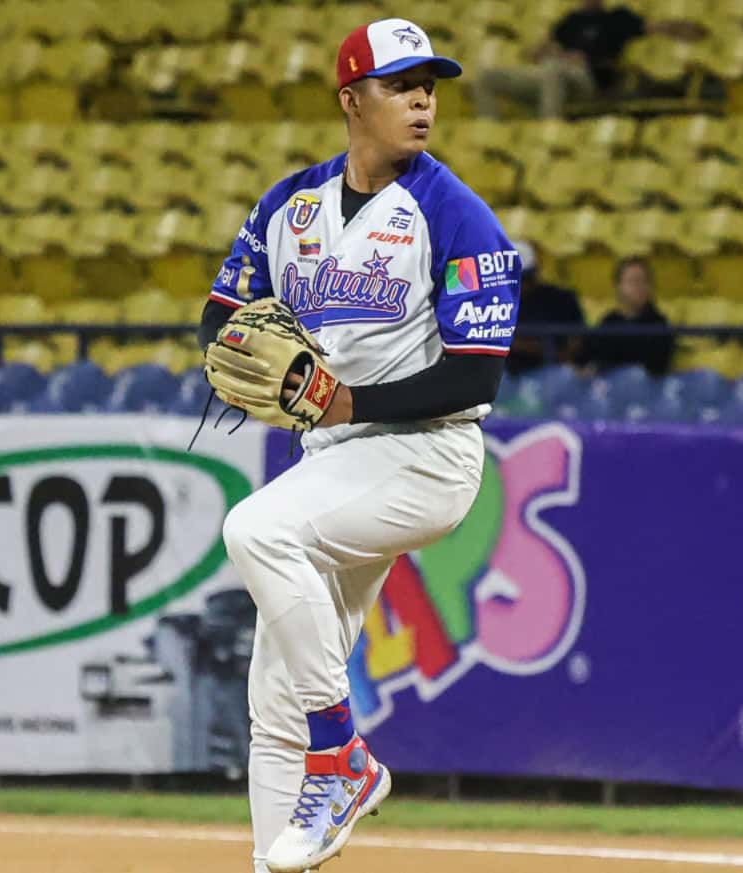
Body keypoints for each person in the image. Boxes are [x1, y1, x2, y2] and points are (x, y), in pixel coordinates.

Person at [197, 19, 519, 873]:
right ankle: (281, 850)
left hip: (426, 454)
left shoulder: (457, 215)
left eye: (429, 86)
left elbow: (477, 374)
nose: (422, 101)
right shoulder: (289, 205)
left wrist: (346, 399)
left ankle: (341, 753)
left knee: (257, 529)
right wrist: (235, 354)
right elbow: (222, 317)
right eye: (400, 84)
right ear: (351, 99)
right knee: (275, 702)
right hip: (335, 463)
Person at [473, 0, 703, 118]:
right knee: (486, 77)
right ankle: (490, 131)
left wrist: (690, 30)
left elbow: (658, 28)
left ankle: (548, 128)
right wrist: (551, 52)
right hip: (553, 73)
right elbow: (537, 52)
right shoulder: (570, 21)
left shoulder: (617, 18)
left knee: (553, 70)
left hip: (587, 79)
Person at [583, 257, 674, 376]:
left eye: (644, 281)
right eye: (632, 281)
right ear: (619, 286)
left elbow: (655, 366)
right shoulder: (608, 321)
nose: (639, 287)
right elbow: (594, 358)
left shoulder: (659, 324)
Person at [506, 239, 586, 374]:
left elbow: (577, 342)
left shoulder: (562, 299)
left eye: (523, 278)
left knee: (566, 374)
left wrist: (519, 345)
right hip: (504, 374)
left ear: (534, 273)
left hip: (550, 371)